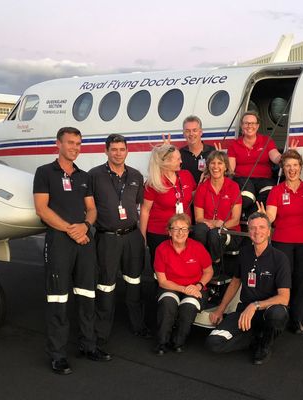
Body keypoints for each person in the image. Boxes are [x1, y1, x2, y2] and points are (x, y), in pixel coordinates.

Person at [33, 127, 111, 375]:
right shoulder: (45, 172)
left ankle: (88, 345)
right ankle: (57, 354)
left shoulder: (83, 176)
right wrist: (71, 230)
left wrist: (85, 226)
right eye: (70, 143)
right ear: (58, 144)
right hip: (60, 241)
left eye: (78, 143)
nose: (75, 148)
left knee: (87, 294)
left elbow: (92, 209)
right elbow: (42, 209)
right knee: (58, 298)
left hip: (84, 240)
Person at [88, 134, 151, 346]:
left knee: (134, 282)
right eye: (113, 149)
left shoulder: (136, 176)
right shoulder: (94, 175)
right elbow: (89, 206)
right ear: (106, 151)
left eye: (122, 149)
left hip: (132, 236)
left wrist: (141, 236)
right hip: (107, 238)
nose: (118, 153)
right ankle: (102, 332)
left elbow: (140, 205)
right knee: (106, 285)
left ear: (127, 151)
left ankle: (138, 326)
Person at [205, 212, 291, 365]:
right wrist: (220, 310)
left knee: (278, 313)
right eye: (253, 228)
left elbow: (284, 298)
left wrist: (255, 305)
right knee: (214, 342)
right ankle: (254, 338)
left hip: (267, 312)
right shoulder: (244, 253)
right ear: (249, 231)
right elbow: (235, 282)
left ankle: (265, 345)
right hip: (244, 312)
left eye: (261, 227)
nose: (257, 232)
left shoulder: (280, 258)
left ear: (269, 231)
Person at [258, 149, 303, 334]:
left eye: (295, 165)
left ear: (300, 167)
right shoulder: (276, 190)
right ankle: (281, 316)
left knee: (301, 281)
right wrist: (265, 217)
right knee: (283, 281)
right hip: (282, 242)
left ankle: (296, 319)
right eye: (288, 165)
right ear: (283, 168)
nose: (292, 169)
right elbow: (271, 216)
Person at [153, 213, 213, 354]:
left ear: (189, 231)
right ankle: (162, 342)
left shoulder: (198, 247)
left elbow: (209, 271)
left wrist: (198, 286)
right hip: (171, 286)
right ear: (169, 232)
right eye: (176, 229)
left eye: (184, 229)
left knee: (188, 307)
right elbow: (162, 281)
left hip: (195, 287)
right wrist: (184, 289)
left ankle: (177, 342)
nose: (180, 233)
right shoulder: (161, 249)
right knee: (168, 303)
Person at [140, 143, 197, 268]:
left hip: (183, 232)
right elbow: (145, 210)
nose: (181, 161)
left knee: (182, 268)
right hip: (160, 232)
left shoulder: (186, 175)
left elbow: (194, 196)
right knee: (162, 268)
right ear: (166, 162)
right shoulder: (153, 183)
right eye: (177, 159)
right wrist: (142, 237)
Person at [193, 151, 243, 267]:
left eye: (220, 163)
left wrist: (221, 225)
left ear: (226, 167)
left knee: (215, 234)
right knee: (199, 230)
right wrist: (214, 223)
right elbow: (198, 218)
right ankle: (200, 263)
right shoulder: (202, 188)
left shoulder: (233, 186)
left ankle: (215, 264)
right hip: (209, 228)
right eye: (212, 163)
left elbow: (235, 220)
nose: (216, 167)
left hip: (229, 230)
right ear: (208, 166)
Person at [227, 111, 283, 215]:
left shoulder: (266, 140)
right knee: (248, 197)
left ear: (257, 126)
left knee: (269, 194)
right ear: (241, 125)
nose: (249, 126)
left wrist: (285, 157)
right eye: (246, 123)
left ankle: (251, 217)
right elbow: (231, 169)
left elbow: (275, 156)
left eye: (253, 123)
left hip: (264, 179)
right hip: (242, 179)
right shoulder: (234, 144)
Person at [179, 115, 215, 185]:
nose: (191, 134)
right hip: (187, 191)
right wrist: (166, 154)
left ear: (201, 132)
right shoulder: (179, 154)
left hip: (207, 191)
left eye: (194, 130)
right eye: (187, 131)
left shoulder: (213, 152)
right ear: (183, 134)